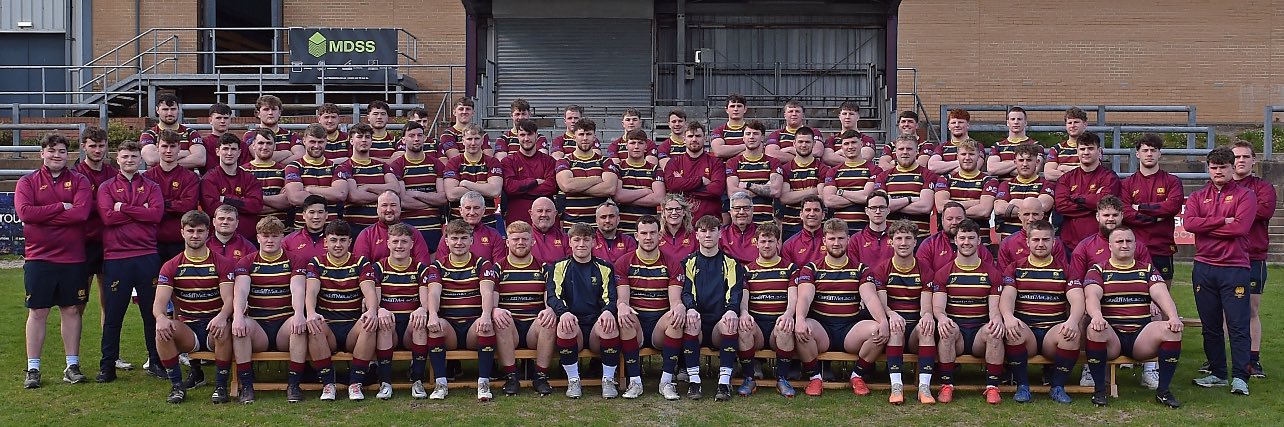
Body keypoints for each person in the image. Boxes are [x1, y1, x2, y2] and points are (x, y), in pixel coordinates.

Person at [17, 134, 93, 389]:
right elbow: (26, 213)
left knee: (71, 310)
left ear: (68, 154)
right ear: (42, 154)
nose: (57, 155)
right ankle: (33, 369)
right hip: (39, 257)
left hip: (73, 258)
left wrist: (44, 216)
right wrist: (61, 206)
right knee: (38, 312)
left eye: (62, 151)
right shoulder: (27, 181)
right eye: (52, 151)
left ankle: (72, 365)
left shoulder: (80, 180)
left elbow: (81, 214)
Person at [1082, 225, 1184, 408]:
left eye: (1128, 241)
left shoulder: (1147, 270)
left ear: (1135, 245)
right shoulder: (1098, 270)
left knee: (1171, 330)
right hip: (1112, 337)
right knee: (1094, 329)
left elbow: (1162, 294)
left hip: (1140, 337)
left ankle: (1163, 392)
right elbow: (1092, 297)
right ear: (1110, 246)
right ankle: (1099, 391)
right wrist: (1097, 316)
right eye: (1119, 241)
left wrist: (1173, 317)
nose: (1124, 245)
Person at [1184, 147, 1257, 395]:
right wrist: (1221, 221)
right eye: (1214, 167)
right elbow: (1189, 223)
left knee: (1237, 325)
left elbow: (1240, 228)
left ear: (1232, 168)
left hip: (1234, 267)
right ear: (1208, 168)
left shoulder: (1245, 195)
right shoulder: (1197, 196)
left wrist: (1206, 227)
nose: (1218, 171)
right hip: (1204, 267)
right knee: (1210, 325)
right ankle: (1217, 373)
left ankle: (1240, 377)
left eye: (1223, 167)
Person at [793, 218, 886, 398]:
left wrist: (883, 321)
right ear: (824, 240)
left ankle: (857, 375)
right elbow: (804, 296)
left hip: (850, 329)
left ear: (848, 240)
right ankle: (815, 378)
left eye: (841, 238)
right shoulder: (811, 269)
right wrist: (800, 319)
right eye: (832, 239)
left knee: (879, 330)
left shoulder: (860, 269)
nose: (837, 243)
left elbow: (870, 296)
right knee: (804, 328)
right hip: (822, 328)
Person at [96, 141, 164, 383]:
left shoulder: (152, 186)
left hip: (146, 256)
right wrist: (139, 210)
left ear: (140, 159)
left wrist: (123, 207)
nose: (129, 160)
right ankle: (107, 365)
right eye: (125, 156)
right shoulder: (106, 187)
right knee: (114, 314)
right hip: (116, 258)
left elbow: (155, 214)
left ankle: (156, 360)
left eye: (134, 156)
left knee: (151, 313)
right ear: (117, 159)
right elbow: (107, 217)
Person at [152, 210, 236, 404]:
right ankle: (176, 387)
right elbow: (159, 303)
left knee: (223, 329)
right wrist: (161, 317)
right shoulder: (171, 265)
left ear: (208, 232)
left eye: (200, 231)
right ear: (182, 232)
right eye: (191, 231)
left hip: (214, 326)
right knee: (162, 331)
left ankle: (221, 386)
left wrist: (223, 316)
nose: (195, 235)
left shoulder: (221, 263)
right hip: (188, 328)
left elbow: (229, 299)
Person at [998, 220, 1081, 404]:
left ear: (1054, 242)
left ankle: (1057, 387)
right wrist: (1008, 317)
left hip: (1053, 331)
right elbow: (1008, 297)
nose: (1041, 244)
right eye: (1036, 239)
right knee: (1014, 330)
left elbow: (1077, 299)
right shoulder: (1016, 267)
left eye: (1046, 239)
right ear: (1028, 242)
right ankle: (1022, 387)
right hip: (1027, 332)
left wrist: (1073, 320)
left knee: (1072, 334)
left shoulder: (1065, 268)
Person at [230, 217, 310, 401]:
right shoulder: (246, 262)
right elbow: (241, 291)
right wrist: (238, 316)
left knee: (298, 325)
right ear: (258, 237)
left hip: (283, 325)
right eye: (265, 236)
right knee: (240, 328)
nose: (270, 240)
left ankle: (294, 385)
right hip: (259, 328)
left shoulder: (295, 260)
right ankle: (247, 386)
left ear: (282, 237)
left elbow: (297, 289)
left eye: (274, 236)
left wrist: (299, 314)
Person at [670, 216, 747, 401]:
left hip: (718, 325)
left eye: (712, 230)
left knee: (730, 321)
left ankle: (724, 383)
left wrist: (731, 310)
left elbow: (735, 292)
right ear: (696, 235)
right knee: (691, 321)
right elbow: (687, 291)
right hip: (698, 322)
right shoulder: (688, 262)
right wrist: (690, 308)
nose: (708, 234)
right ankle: (694, 383)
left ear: (719, 234)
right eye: (703, 231)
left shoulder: (731, 263)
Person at [301, 220, 379, 402]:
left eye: (342, 240)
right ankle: (328, 384)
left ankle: (355, 383)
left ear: (349, 242)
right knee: (314, 324)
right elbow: (311, 290)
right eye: (333, 240)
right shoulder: (317, 263)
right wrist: (311, 312)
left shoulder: (360, 262)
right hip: (329, 330)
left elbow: (369, 290)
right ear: (325, 242)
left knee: (369, 322)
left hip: (352, 329)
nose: (338, 245)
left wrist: (372, 310)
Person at [929, 219, 1003, 404]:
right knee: (946, 330)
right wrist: (942, 318)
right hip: (957, 334)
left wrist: (996, 320)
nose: (966, 242)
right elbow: (938, 308)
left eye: (971, 238)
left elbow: (994, 309)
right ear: (955, 240)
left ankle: (992, 388)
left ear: (979, 241)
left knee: (994, 330)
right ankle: (947, 385)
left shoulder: (991, 273)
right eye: (962, 237)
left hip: (979, 334)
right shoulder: (944, 272)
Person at [545, 223, 621, 399]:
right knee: (565, 325)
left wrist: (608, 311)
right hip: (573, 324)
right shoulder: (558, 266)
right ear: (569, 242)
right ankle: (573, 380)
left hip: (595, 326)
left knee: (609, 324)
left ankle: (608, 380)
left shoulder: (605, 267)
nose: (581, 244)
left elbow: (610, 297)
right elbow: (553, 296)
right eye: (577, 240)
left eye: (586, 240)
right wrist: (563, 312)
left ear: (594, 242)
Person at [613, 215, 684, 400]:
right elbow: (623, 299)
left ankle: (667, 381)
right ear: (636, 236)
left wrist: (679, 307)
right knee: (626, 317)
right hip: (636, 323)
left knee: (676, 317)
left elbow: (675, 300)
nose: (648, 237)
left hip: (659, 326)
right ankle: (635, 382)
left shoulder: (672, 263)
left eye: (653, 233)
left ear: (660, 235)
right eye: (643, 233)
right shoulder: (624, 262)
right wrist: (621, 306)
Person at [867, 220, 937, 404]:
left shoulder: (925, 270)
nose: (903, 243)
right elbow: (883, 305)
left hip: (914, 330)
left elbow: (926, 307)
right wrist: (891, 314)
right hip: (893, 327)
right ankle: (896, 387)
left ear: (916, 242)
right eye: (899, 238)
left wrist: (928, 316)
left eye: (908, 238)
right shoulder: (882, 269)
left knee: (927, 329)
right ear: (891, 242)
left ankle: (924, 388)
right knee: (896, 327)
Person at [493, 221, 557, 396]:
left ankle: (540, 377)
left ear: (532, 242)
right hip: (510, 327)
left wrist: (550, 309)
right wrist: (495, 310)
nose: (520, 242)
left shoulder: (544, 268)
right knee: (501, 319)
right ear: (507, 242)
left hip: (533, 329)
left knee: (549, 320)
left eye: (524, 239)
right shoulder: (498, 268)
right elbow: (492, 298)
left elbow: (549, 296)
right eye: (515, 239)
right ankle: (512, 377)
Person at [736, 223, 800, 398]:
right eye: (763, 241)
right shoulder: (747, 270)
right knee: (744, 326)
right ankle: (749, 378)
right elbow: (743, 298)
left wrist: (788, 314)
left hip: (777, 325)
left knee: (785, 327)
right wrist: (744, 313)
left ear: (778, 243)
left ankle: (782, 379)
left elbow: (793, 297)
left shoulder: (790, 269)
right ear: (756, 242)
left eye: (770, 241)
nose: (766, 245)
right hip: (757, 325)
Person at [373, 223, 435, 400]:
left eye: (404, 241)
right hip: (389, 326)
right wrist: (380, 309)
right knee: (384, 323)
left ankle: (417, 381)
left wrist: (423, 309)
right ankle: (385, 383)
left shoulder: (421, 268)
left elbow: (425, 299)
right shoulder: (378, 267)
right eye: (395, 241)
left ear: (411, 244)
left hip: (409, 327)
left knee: (420, 322)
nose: (399, 246)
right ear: (388, 243)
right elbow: (374, 299)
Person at [1230, 140, 1276, 377]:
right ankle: (1219, 358)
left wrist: (1235, 213)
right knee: (1223, 310)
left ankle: (1253, 359)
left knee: (1250, 309)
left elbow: (1264, 211)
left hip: (1253, 256)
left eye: (1245, 157)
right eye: (1236, 157)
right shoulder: (1221, 187)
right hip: (1226, 256)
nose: (1240, 161)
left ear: (1253, 160)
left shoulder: (1263, 187)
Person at [1121, 134, 1185, 284]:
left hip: (1162, 248)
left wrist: (1141, 207)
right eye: (1145, 150)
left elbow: (1172, 206)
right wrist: (1156, 217)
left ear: (1159, 153)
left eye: (1153, 150)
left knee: (1163, 300)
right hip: (1135, 248)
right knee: (1134, 298)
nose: (1149, 154)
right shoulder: (1127, 183)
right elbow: (1126, 213)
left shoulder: (1172, 181)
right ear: (1137, 154)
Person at [1053, 132, 1121, 254]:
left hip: (1101, 245)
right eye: (1082, 149)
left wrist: (1076, 198)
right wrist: (1094, 204)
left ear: (1099, 151)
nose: (1086, 152)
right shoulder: (1066, 178)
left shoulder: (1109, 177)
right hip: (1069, 245)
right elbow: (1061, 206)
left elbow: (1106, 205)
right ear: (1077, 151)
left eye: (1090, 148)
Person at [389, 121, 449, 250]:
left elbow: (443, 198)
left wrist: (417, 194)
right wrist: (432, 200)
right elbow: (403, 201)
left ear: (424, 138)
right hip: (407, 227)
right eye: (411, 135)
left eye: (420, 135)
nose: (416, 139)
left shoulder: (436, 164)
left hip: (432, 226)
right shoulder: (397, 165)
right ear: (403, 140)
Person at [143, 130, 202, 263]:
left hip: (179, 241)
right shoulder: (147, 177)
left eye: (172, 146)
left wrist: (159, 206)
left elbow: (187, 206)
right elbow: (144, 209)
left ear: (179, 148)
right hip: (152, 241)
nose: (168, 150)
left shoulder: (190, 177)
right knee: (153, 282)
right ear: (157, 148)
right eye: (164, 146)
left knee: (181, 283)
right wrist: (173, 205)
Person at [1069, 195, 1152, 283]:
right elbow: (1076, 283)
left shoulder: (1137, 246)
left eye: (1115, 215)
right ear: (1097, 216)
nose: (1111, 219)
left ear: (1122, 216)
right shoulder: (1084, 248)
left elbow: (1150, 279)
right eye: (1106, 215)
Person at [932, 138, 998, 248]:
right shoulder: (945, 179)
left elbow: (984, 211)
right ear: (957, 156)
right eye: (963, 154)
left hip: (980, 241)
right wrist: (976, 202)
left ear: (979, 156)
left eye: (971, 154)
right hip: (948, 242)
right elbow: (940, 207)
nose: (967, 158)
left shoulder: (989, 181)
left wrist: (952, 212)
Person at [339, 123, 400, 236]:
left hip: (383, 228)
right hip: (355, 228)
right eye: (359, 136)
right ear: (351, 141)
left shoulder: (382, 166)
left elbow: (396, 189)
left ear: (371, 141)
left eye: (367, 137)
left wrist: (367, 187)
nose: (364, 140)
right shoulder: (344, 167)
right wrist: (386, 197)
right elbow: (354, 196)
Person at [556, 118, 619, 226]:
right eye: (581, 134)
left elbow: (610, 188)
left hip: (599, 226)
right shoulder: (564, 161)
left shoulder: (605, 161)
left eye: (588, 134)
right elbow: (567, 186)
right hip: (572, 225)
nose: (585, 138)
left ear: (594, 137)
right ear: (574, 137)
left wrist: (576, 188)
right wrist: (596, 179)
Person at [201, 133, 264, 240]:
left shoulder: (250, 179)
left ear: (239, 152)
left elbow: (256, 205)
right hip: (217, 240)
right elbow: (211, 208)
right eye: (225, 149)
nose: (229, 153)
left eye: (233, 149)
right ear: (217, 151)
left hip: (247, 239)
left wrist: (225, 198)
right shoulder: (209, 179)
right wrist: (242, 202)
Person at [283, 124, 349, 225]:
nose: (317, 146)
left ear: (326, 142)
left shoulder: (336, 167)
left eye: (320, 142)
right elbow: (295, 198)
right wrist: (329, 193)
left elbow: (340, 194)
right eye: (312, 142)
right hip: (302, 229)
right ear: (304, 141)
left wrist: (309, 189)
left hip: (331, 231)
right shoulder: (293, 167)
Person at [875, 135, 938, 239]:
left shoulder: (928, 175)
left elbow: (925, 207)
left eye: (909, 149)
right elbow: (881, 206)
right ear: (895, 152)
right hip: (890, 238)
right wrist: (910, 199)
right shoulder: (883, 176)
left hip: (919, 238)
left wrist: (893, 204)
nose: (905, 152)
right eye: (901, 149)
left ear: (917, 151)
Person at [443, 123, 504, 229]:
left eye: (477, 138)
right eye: (469, 139)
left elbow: (494, 191)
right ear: (463, 140)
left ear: (482, 140)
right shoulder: (454, 162)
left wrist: (466, 184)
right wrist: (483, 187)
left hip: (487, 222)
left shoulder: (492, 162)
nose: (473, 143)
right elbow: (452, 194)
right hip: (458, 223)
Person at [663, 121, 726, 222]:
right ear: (684, 139)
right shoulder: (674, 162)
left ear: (705, 138)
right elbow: (672, 186)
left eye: (698, 136)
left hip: (710, 224)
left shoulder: (716, 162)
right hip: (681, 224)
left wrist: (683, 184)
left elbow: (716, 190)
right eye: (690, 136)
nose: (694, 139)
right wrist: (700, 181)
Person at [500, 119, 559, 226]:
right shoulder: (508, 161)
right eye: (522, 135)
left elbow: (552, 186)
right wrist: (535, 182)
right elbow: (510, 187)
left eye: (530, 134)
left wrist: (521, 188)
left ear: (536, 135)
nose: (526, 138)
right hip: (517, 216)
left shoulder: (549, 161)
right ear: (517, 136)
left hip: (545, 216)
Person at [725, 120, 783, 226]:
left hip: (766, 223)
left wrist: (748, 185)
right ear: (743, 138)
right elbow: (733, 193)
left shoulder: (773, 162)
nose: (751, 137)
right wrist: (764, 188)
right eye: (748, 134)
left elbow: (775, 191)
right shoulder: (733, 162)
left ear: (762, 137)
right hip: (742, 224)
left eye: (756, 134)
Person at [823, 129, 881, 232]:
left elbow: (867, 197)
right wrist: (859, 198)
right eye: (846, 143)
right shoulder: (833, 171)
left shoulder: (874, 170)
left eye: (854, 142)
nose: (850, 147)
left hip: (865, 231)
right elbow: (829, 201)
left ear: (861, 144)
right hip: (839, 232)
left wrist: (841, 192)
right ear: (842, 147)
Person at [993, 143, 1055, 240]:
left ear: (1037, 162)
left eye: (1029, 160)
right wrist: (1033, 210)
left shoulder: (1047, 185)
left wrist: (1013, 203)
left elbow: (1044, 206)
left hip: (1037, 242)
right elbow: (999, 209)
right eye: (1021, 160)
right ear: (1015, 162)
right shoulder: (1005, 185)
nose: (1025, 164)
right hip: (1009, 241)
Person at [611, 128, 666, 234]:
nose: (636, 147)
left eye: (640, 143)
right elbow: (618, 196)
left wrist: (626, 198)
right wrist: (645, 191)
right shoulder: (618, 168)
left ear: (646, 146)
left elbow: (659, 198)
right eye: (632, 143)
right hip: (623, 231)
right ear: (626, 145)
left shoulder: (655, 169)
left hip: (648, 231)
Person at [917, 202, 996, 276]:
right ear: (942, 221)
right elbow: (924, 276)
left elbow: (992, 275)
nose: (954, 222)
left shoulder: (977, 247)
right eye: (949, 219)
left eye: (958, 218)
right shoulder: (929, 244)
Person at [355, 191, 431, 264]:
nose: (389, 209)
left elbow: (424, 264)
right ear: (377, 209)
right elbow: (361, 267)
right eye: (384, 205)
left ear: (400, 208)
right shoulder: (366, 235)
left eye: (393, 205)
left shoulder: (413, 233)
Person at [778, 127, 828, 237]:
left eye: (807, 142)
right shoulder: (785, 169)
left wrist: (795, 194)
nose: (804, 145)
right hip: (791, 225)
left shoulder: (822, 169)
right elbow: (784, 198)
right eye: (800, 142)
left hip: (817, 226)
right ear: (794, 143)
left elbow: (822, 198)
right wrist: (812, 190)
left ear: (814, 143)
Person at [997, 199, 1067, 268]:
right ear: (1019, 216)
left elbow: (1063, 271)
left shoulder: (1055, 242)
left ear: (1042, 216)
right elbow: (1003, 275)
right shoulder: (1007, 243)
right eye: (1026, 214)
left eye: (1035, 214)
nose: (1031, 219)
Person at [140, 94, 205, 168]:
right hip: (157, 179)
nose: (169, 113)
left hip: (184, 178)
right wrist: (185, 153)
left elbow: (200, 160)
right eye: (165, 109)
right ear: (157, 110)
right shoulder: (149, 134)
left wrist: (165, 162)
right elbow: (152, 159)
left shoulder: (191, 133)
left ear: (178, 109)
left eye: (173, 109)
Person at [242, 128, 291, 226]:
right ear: (253, 145)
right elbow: (242, 205)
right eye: (261, 143)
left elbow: (287, 202)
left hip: (280, 230)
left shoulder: (285, 170)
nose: (265, 147)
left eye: (269, 143)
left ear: (275, 146)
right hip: (251, 231)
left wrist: (254, 200)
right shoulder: (242, 171)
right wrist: (277, 203)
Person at [244, 95, 302, 164]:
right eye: (266, 109)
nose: (270, 113)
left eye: (274, 109)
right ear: (258, 113)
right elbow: (260, 155)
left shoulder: (292, 135)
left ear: (279, 113)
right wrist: (288, 153)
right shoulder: (250, 135)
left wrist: (277, 166)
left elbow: (300, 156)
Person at [927, 109, 983, 176]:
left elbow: (974, 167)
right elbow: (932, 166)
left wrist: (948, 173)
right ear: (949, 126)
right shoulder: (942, 147)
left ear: (968, 125)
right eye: (953, 123)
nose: (957, 125)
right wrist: (962, 162)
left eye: (960, 122)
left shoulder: (977, 145)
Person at [283, 195, 330, 272]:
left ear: (326, 215)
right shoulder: (289, 241)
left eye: (320, 212)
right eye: (312, 212)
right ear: (304, 215)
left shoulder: (336, 241)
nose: (316, 217)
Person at [821, 102, 877, 166]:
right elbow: (827, 158)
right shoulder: (831, 140)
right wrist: (854, 158)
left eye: (851, 114)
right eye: (844, 114)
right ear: (839, 117)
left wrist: (839, 153)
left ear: (858, 117)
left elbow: (866, 156)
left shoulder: (866, 139)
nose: (847, 117)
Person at [847, 191, 893, 265]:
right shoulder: (856, 239)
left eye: (882, 207)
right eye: (873, 208)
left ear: (888, 210)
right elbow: (853, 268)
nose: (878, 211)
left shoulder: (897, 237)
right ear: (866, 211)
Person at [1044, 107, 1089, 182]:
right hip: (1062, 189)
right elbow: (1049, 174)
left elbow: (1091, 172)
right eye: (1069, 123)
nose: (1072, 125)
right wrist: (1078, 174)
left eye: (1076, 122)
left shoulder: (1091, 147)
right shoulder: (1057, 148)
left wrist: (1064, 168)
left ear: (1085, 124)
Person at [985, 107, 1030, 180]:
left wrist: (1003, 169)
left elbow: (1033, 170)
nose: (1016, 122)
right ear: (1007, 123)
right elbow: (991, 169)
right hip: (1003, 188)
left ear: (1025, 123)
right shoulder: (998, 146)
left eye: (1019, 119)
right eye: (1012, 119)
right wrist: (1020, 163)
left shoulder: (1034, 145)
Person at [781, 196, 826, 266]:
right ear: (801, 215)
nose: (812, 214)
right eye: (808, 210)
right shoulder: (789, 245)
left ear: (823, 215)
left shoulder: (832, 241)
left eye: (816, 210)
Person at [720, 192, 760, 263]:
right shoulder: (721, 235)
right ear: (731, 212)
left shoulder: (761, 233)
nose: (741, 212)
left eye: (746, 208)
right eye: (737, 208)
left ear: (752, 210)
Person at [659, 194, 698, 262]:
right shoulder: (657, 235)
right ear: (663, 213)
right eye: (670, 209)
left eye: (678, 209)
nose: (674, 212)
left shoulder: (694, 235)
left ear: (684, 212)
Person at [710, 94, 750, 159]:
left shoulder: (752, 130)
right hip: (724, 168)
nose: (736, 109)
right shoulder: (718, 131)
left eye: (739, 106)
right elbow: (719, 151)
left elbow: (756, 152)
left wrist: (728, 152)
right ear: (727, 110)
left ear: (745, 109)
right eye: (732, 106)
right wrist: (747, 146)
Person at [201, 103, 235, 169]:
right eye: (218, 118)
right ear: (210, 120)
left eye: (226, 118)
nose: (222, 121)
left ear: (230, 120)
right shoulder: (203, 144)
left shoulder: (240, 144)